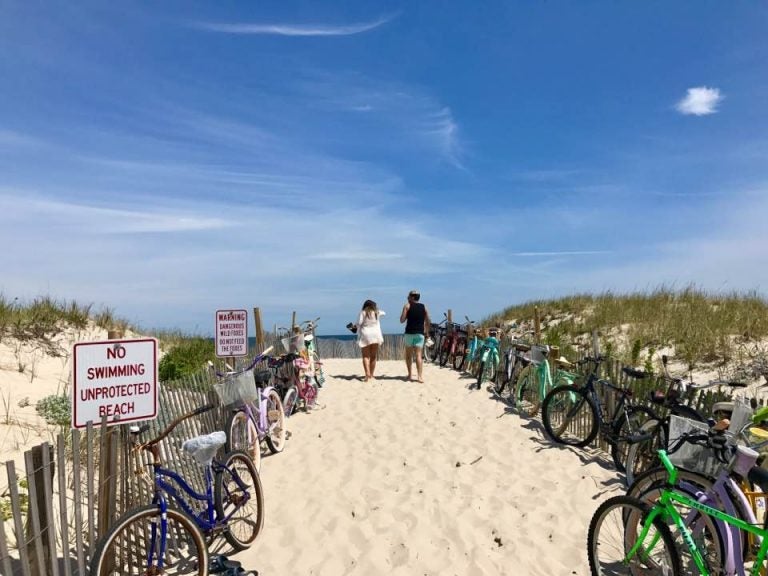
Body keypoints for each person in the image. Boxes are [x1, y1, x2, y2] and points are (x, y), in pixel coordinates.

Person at [400, 290, 430, 382]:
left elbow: (402, 320)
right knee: (418, 355)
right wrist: (427, 332)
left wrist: (405, 312)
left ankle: (409, 375)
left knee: (408, 355)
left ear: (412, 297)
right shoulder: (424, 306)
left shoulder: (407, 306)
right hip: (420, 334)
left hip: (409, 333)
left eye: (408, 297)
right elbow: (428, 320)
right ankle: (419, 377)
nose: (407, 298)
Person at [356, 299, 385, 381]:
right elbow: (384, 313)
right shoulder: (377, 312)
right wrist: (377, 311)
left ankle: (367, 374)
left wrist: (353, 327)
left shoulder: (363, 313)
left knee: (365, 356)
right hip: (376, 335)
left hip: (366, 334)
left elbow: (359, 323)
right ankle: (372, 375)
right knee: (373, 356)